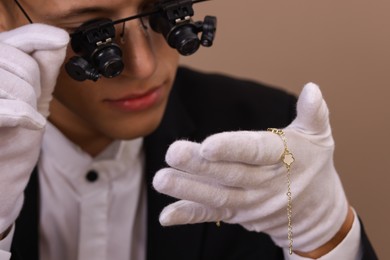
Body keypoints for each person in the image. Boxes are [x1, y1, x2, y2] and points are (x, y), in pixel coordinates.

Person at [0, 0, 378, 259]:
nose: (143, 66)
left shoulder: (269, 134)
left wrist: (326, 238)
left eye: (163, 12)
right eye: (87, 31)